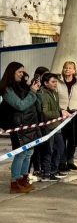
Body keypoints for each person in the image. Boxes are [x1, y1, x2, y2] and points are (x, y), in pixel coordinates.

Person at [0, 62, 41, 193]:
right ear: (12, 72)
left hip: (29, 124)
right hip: (17, 125)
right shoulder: (7, 89)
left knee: (29, 152)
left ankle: (24, 178)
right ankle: (15, 181)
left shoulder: (22, 86)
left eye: (23, 72)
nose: (22, 74)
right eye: (19, 72)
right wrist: (33, 92)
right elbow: (21, 105)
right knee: (21, 153)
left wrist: (35, 90)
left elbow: (34, 103)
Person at [38, 72, 70, 181]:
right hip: (48, 127)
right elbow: (45, 113)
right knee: (49, 150)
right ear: (46, 83)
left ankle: (54, 170)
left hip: (56, 126)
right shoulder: (43, 94)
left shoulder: (54, 93)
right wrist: (60, 113)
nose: (55, 83)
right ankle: (46, 173)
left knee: (60, 149)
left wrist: (61, 112)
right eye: (53, 82)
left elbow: (56, 108)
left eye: (56, 81)